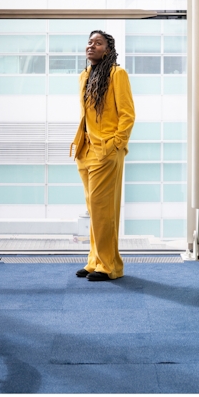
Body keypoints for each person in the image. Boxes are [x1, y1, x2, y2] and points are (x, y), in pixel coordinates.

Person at [69, 30, 135, 282]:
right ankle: (94, 261)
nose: (91, 46)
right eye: (89, 42)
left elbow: (127, 114)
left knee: (103, 210)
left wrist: (115, 144)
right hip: (85, 151)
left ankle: (110, 266)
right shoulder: (84, 76)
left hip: (106, 151)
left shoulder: (117, 74)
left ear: (108, 49)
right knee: (94, 209)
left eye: (98, 43)